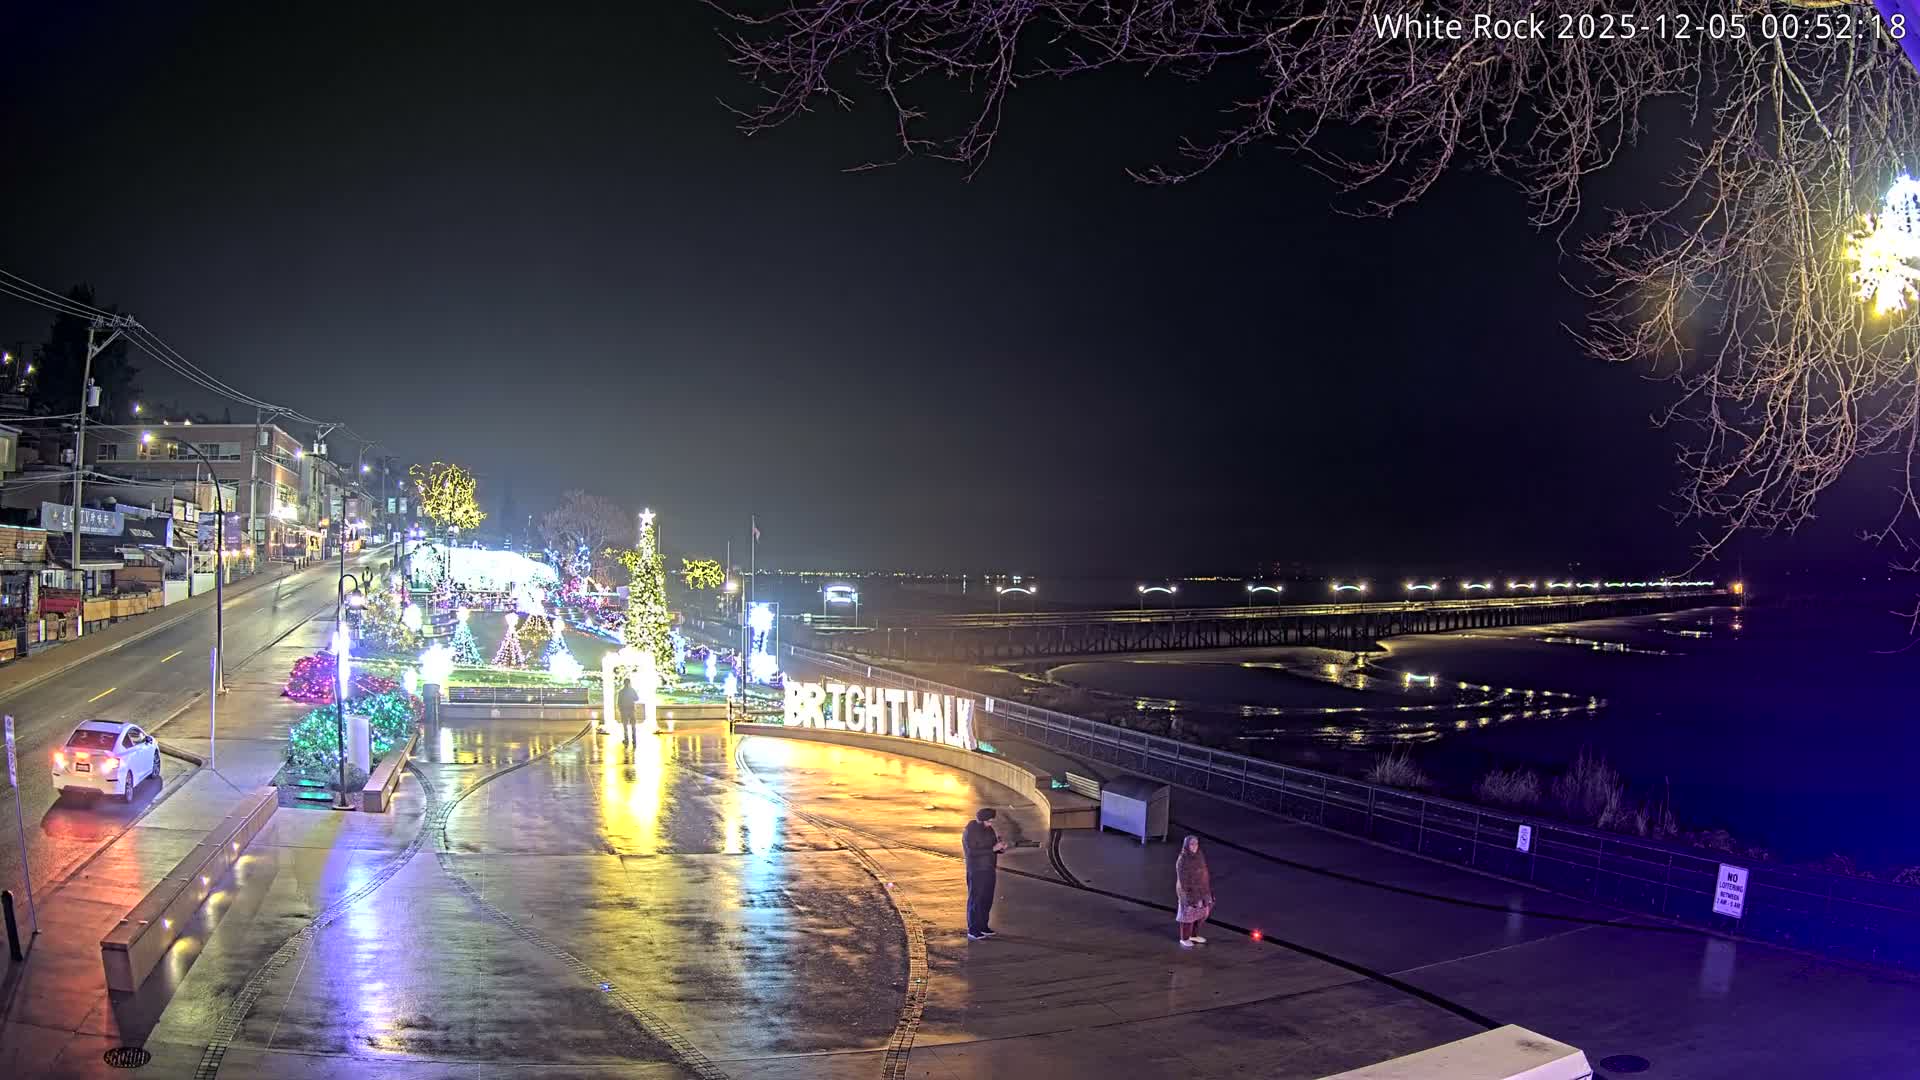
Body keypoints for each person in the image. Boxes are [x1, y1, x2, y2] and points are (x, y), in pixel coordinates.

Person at [962, 807, 1007, 940]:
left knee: (986, 898)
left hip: (989, 868)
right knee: (976, 899)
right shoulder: (970, 831)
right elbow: (972, 852)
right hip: (976, 870)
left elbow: (992, 847)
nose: (990, 824)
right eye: (989, 821)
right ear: (981, 820)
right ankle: (973, 929)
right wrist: (993, 848)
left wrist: (1000, 848)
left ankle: (983, 926)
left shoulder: (989, 829)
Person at [1175, 835, 1212, 948]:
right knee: (1188, 915)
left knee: (1202, 913)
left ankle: (1193, 935)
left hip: (1201, 890)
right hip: (1189, 892)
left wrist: (1207, 890)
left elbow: (1204, 872)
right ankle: (1184, 938)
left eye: (1196, 843)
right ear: (1187, 845)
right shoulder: (1183, 859)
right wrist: (1189, 895)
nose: (1194, 846)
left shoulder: (1199, 855)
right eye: (1192, 844)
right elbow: (1183, 881)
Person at [617, 678, 640, 744]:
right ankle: (634, 739)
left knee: (625, 725)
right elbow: (637, 698)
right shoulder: (632, 691)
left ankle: (626, 739)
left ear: (624, 683)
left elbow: (619, 702)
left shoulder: (621, 691)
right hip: (631, 709)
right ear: (629, 683)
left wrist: (620, 709)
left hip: (624, 710)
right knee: (633, 724)